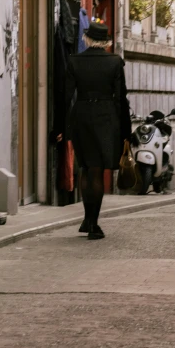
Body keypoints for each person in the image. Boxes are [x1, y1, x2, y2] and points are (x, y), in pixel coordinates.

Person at [67, 22, 131, 239]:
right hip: (106, 116)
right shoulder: (114, 62)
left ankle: (87, 219)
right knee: (98, 169)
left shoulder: (74, 60)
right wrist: (126, 130)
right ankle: (93, 224)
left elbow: (65, 96)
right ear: (107, 41)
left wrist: (60, 126)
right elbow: (121, 98)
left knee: (87, 167)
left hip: (82, 114)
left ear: (87, 38)